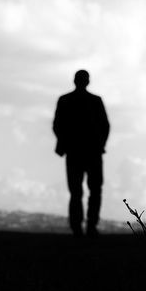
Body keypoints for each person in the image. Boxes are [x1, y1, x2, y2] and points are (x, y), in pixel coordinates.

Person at [52, 69, 109, 237]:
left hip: (75, 152)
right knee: (92, 190)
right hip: (91, 152)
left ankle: (78, 227)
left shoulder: (65, 100)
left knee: (77, 191)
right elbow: (105, 126)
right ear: (87, 81)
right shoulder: (95, 101)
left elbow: (57, 125)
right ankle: (89, 226)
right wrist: (100, 144)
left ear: (74, 81)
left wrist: (65, 143)